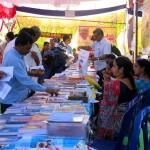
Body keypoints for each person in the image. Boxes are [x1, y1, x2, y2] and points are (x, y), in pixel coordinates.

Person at [1, 32, 57, 113]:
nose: (28, 51)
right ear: (19, 45)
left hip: (15, 97)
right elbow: (25, 80)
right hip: (12, 100)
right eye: (27, 48)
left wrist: (31, 73)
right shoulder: (14, 58)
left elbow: (16, 72)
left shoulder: (15, 54)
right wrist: (46, 89)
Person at [95, 56, 136, 139]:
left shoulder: (115, 85)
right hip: (127, 123)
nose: (111, 68)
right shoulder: (131, 81)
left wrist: (106, 83)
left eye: (114, 66)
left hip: (116, 127)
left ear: (121, 69)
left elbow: (105, 109)